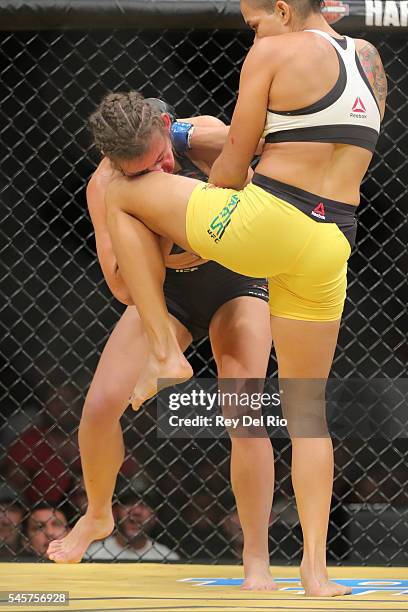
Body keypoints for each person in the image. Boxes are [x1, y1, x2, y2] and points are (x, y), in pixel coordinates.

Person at [100, 0, 387, 596]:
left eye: (255, 18)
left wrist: (179, 137)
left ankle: (163, 352)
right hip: (333, 239)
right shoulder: (368, 57)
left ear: (281, 9)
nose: (251, 29)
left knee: (119, 191)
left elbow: (230, 169)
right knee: (308, 410)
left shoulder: (272, 51)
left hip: (268, 221)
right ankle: (315, 571)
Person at [47, 95, 275, 590]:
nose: (158, 172)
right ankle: (99, 514)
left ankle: (256, 557)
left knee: (244, 412)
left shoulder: (203, 138)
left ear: (167, 128)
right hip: (166, 292)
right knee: (101, 406)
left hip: (235, 279)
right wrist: (163, 235)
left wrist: (194, 149)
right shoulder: (107, 184)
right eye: (140, 173)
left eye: (159, 159)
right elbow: (123, 287)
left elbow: (264, 176)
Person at [85, 492, 179, 561]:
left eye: (144, 504)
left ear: (154, 517)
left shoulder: (168, 559)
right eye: (128, 503)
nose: (136, 511)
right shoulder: (93, 554)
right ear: (114, 512)